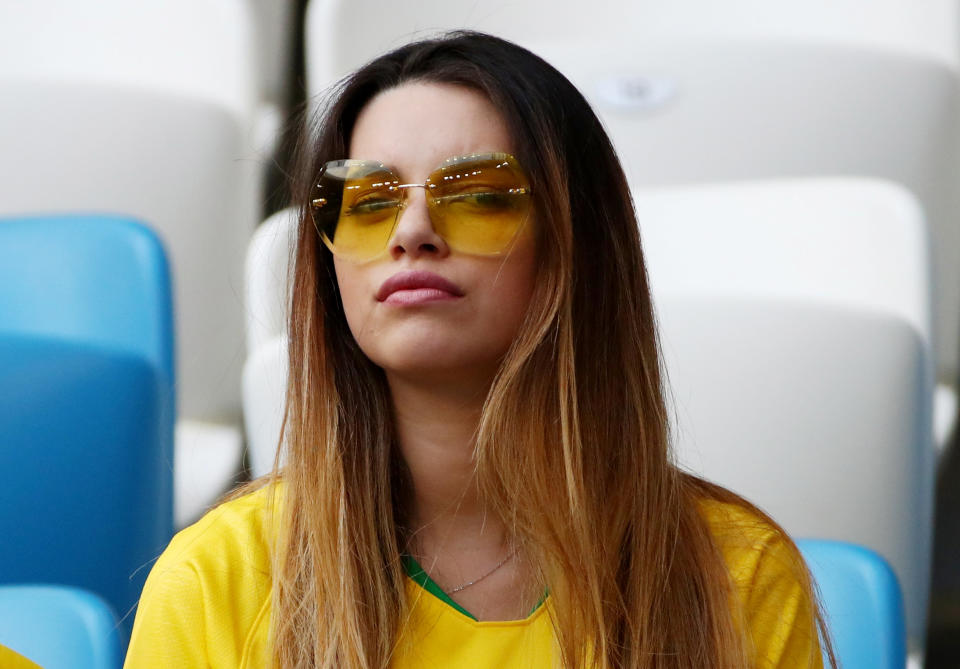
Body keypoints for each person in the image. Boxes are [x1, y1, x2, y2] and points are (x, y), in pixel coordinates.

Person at [124, 31, 836, 668]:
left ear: (576, 242)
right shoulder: (217, 579)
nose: (412, 231)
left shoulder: (735, 574)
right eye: (367, 200)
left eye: (479, 194)